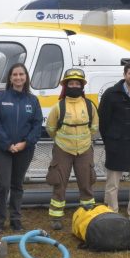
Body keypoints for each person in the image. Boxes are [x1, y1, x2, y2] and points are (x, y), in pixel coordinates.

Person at [0, 63, 43, 233]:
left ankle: (15, 219)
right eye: (15, 74)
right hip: (1, 149)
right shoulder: (1, 98)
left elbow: (37, 125)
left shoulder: (32, 100)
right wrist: (7, 144)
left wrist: (25, 143)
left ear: (26, 77)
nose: (18, 77)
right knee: (3, 184)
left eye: (21, 74)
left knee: (17, 184)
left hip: (24, 149)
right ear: (10, 78)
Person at [45, 68, 99, 230]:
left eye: (77, 83)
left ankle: (88, 215)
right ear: (66, 86)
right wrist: (63, 141)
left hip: (84, 150)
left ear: (82, 86)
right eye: (71, 83)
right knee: (59, 184)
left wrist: (83, 141)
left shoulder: (89, 106)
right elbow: (50, 128)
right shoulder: (58, 107)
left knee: (86, 184)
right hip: (62, 150)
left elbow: (94, 127)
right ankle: (56, 217)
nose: (74, 86)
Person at [98, 60, 130, 218]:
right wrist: (110, 141)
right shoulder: (110, 94)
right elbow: (103, 121)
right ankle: (111, 212)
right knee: (113, 182)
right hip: (116, 144)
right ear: (124, 74)